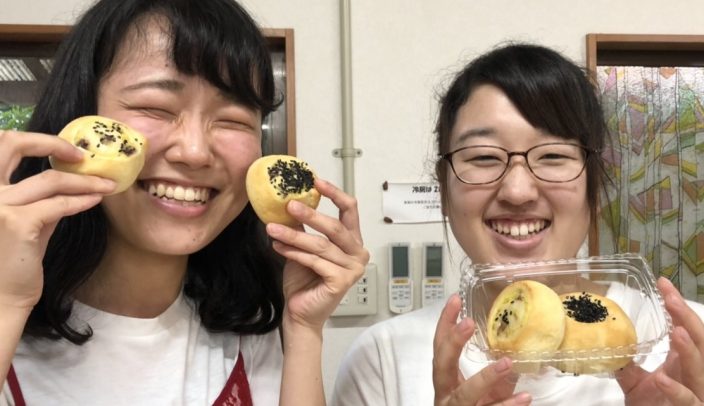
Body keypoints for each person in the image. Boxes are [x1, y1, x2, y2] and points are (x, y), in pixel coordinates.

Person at [0, 0, 369, 404]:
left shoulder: (251, 325)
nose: (194, 152)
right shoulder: (10, 318)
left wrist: (303, 331)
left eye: (232, 119)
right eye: (154, 108)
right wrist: (6, 303)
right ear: (78, 116)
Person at [331, 43, 704, 406]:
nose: (517, 190)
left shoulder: (688, 347)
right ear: (444, 189)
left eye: (553, 155)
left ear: (594, 185)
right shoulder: (385, 359)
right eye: (483, 157)